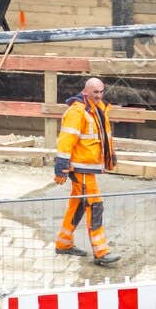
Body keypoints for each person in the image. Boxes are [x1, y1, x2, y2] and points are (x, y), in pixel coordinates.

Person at [53, 77, 120, 265]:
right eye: (95, 92)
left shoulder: (98, 109)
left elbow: (103, 138)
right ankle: (101, 252)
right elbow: (66, 140)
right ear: (85, 92)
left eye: (101, 92)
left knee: (79, 205)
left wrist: (109, 158)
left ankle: (63, 243)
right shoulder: (77, 111)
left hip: (87, 167)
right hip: (79, 167)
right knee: (95, 204)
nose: (98, 96)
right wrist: (61, 167)